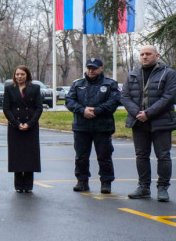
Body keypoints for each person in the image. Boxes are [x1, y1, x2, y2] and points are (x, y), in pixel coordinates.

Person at [120, 45, 176, 201]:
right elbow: (125, 97)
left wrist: (148, 114)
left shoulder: (169, 73)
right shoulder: (132, 74)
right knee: (141, 156)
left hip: (161, 122)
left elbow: (169, 97)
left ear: (157, 55)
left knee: (163, 156)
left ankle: (163, 188)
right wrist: (138, 114)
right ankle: (143, 187)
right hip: (139, 122)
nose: (145, 57)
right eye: (142, 54)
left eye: (148, 54)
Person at [65, 57, 121, 193]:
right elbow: (69, 101)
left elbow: (115, 101)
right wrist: (82, 110)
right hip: (81, 126)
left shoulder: (110, 84)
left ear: (101, 68)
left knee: (104, 156)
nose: (91, 71)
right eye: (89, 68)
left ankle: (106, 183)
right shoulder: (77, 84)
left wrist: (97, 111)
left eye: (94, 68)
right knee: (81, 156)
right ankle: (82, 181)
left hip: (103, 126)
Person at [3, 65, 43, 193]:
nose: (19, 77)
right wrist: (16, 123)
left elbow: (39, 108)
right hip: (15, 127)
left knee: (30, 155)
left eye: (22, 74)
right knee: (17, 155)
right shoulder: (9, 89)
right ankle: (19, 184)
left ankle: (28, 185)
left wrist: (30, 123)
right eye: (17, 74)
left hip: (31, 127)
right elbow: (6, 108)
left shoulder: (35, 88)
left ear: (27, 76)